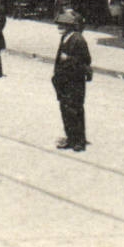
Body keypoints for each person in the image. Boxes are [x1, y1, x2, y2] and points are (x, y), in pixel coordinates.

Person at [52, 8, 92, 151]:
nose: (59, 27)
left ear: (70, 26)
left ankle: (79, 141)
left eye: (62, 25)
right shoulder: (65, 38)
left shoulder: (78, 39)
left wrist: (68, 59)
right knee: (66, 110)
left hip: (74, 82)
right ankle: (71, 138)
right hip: (64, 81)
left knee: (74, 110)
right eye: (59, 24)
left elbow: (86, 61)